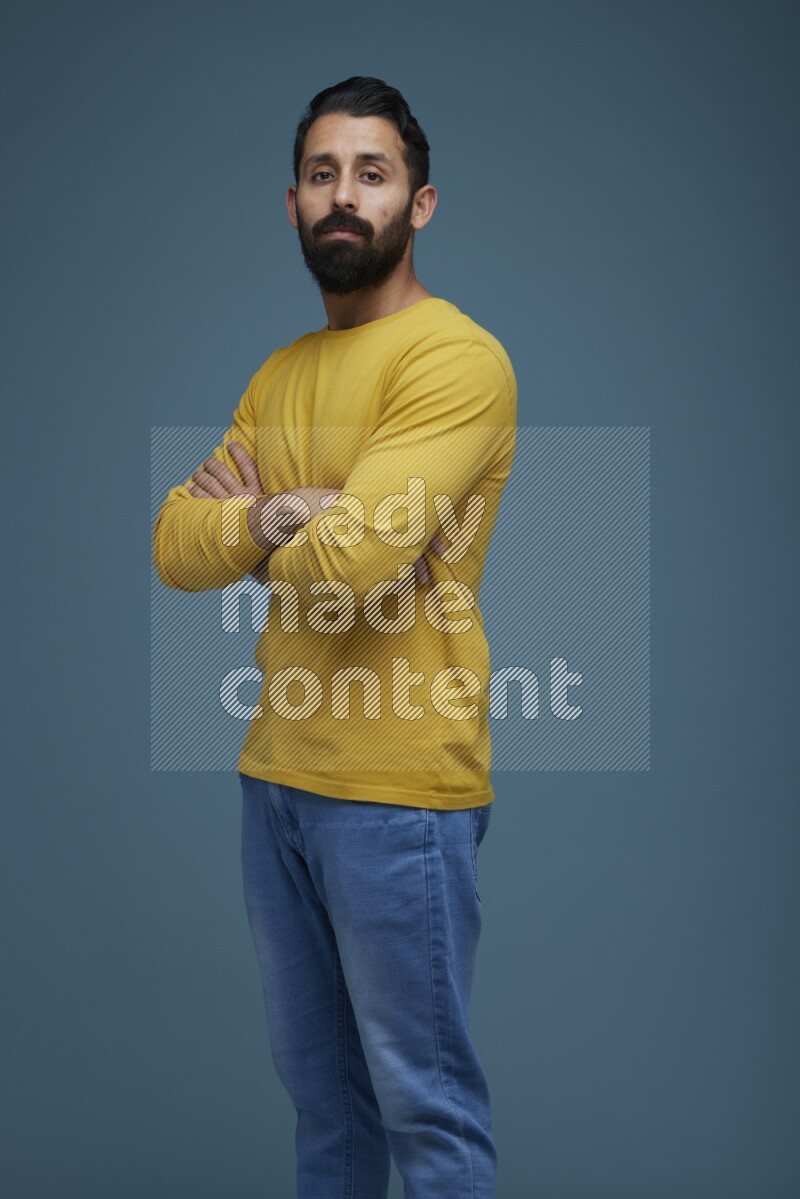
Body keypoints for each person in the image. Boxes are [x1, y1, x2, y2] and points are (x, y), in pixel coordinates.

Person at [152, 75, 517, 1199]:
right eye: (322, 174)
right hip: (277, 777)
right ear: (294, 203)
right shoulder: (282, 372)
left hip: (397, 792)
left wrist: (258, 524)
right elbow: (175, 542)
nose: (343, 195)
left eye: (371, 172)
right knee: (326, 1109)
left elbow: (357, 566)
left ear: (420, 203)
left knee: (423, 1107)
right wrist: (281, 513)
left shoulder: (454, 361)